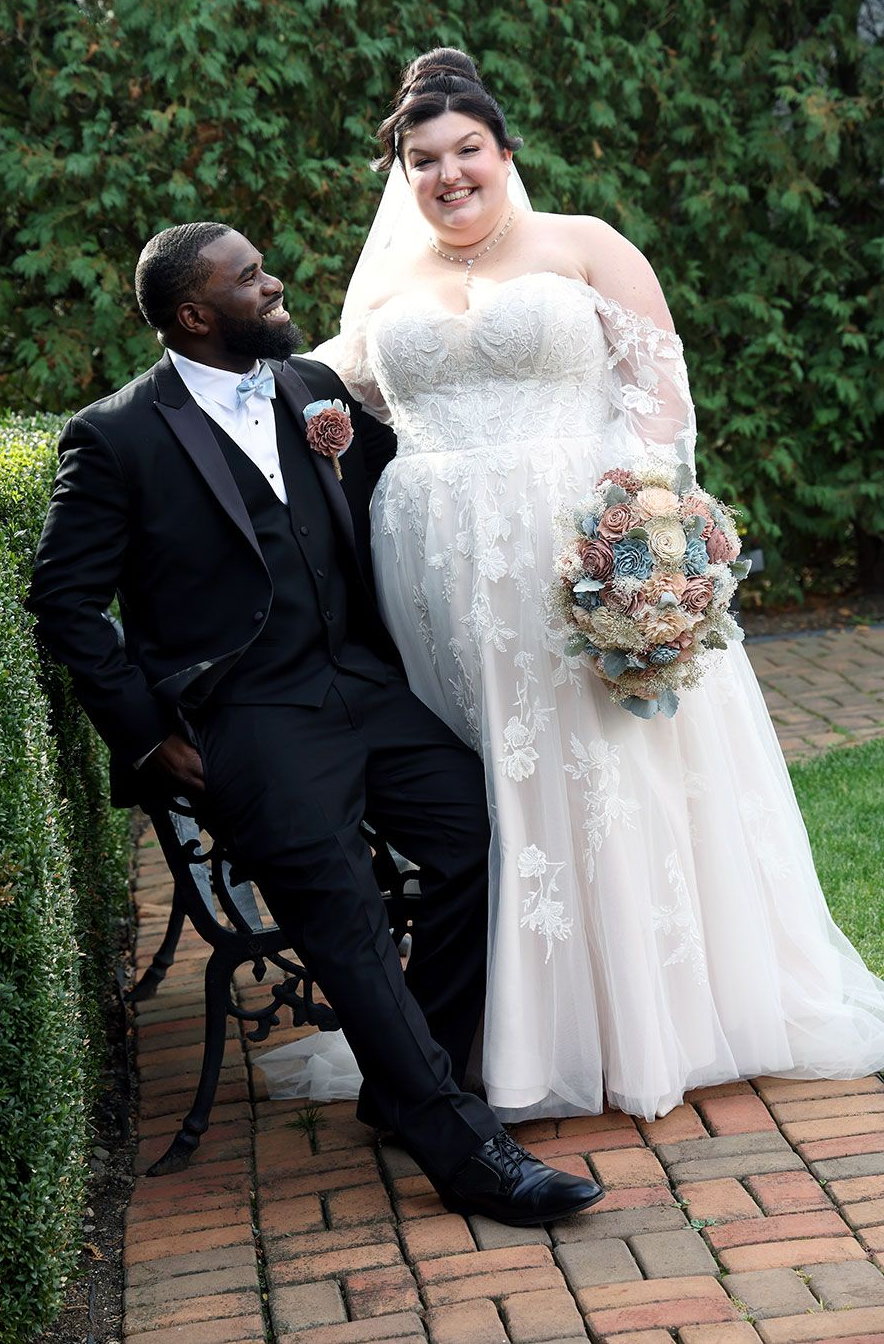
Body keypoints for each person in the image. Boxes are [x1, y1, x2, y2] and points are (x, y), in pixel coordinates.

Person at [275, 48, 884, 1123]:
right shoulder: (387, 283)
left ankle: (645, 1021)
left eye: (467, 150)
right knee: (493, 790)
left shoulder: (583, 245)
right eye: (424, 160)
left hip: (576, 553)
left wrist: (639, 541)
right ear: (401, 174)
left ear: (505, 152)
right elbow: (352, 387)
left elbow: (659, 396)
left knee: (601, 771)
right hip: (433, 566)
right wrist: (317, 418)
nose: (448, 174)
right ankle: (501, 1022)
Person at [25, 220, 605, 1225]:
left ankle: (399, 1081)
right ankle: (467, 1154)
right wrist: (147, 735)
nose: (275, 282)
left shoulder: (306, 391)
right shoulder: (114, 435)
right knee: (344, 915)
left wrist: (371, 456)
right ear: (196, 315)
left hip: (358, 685)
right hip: (249, 717)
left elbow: (408, 491)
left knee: (483, 838)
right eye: (250, 278)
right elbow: (64, 602)